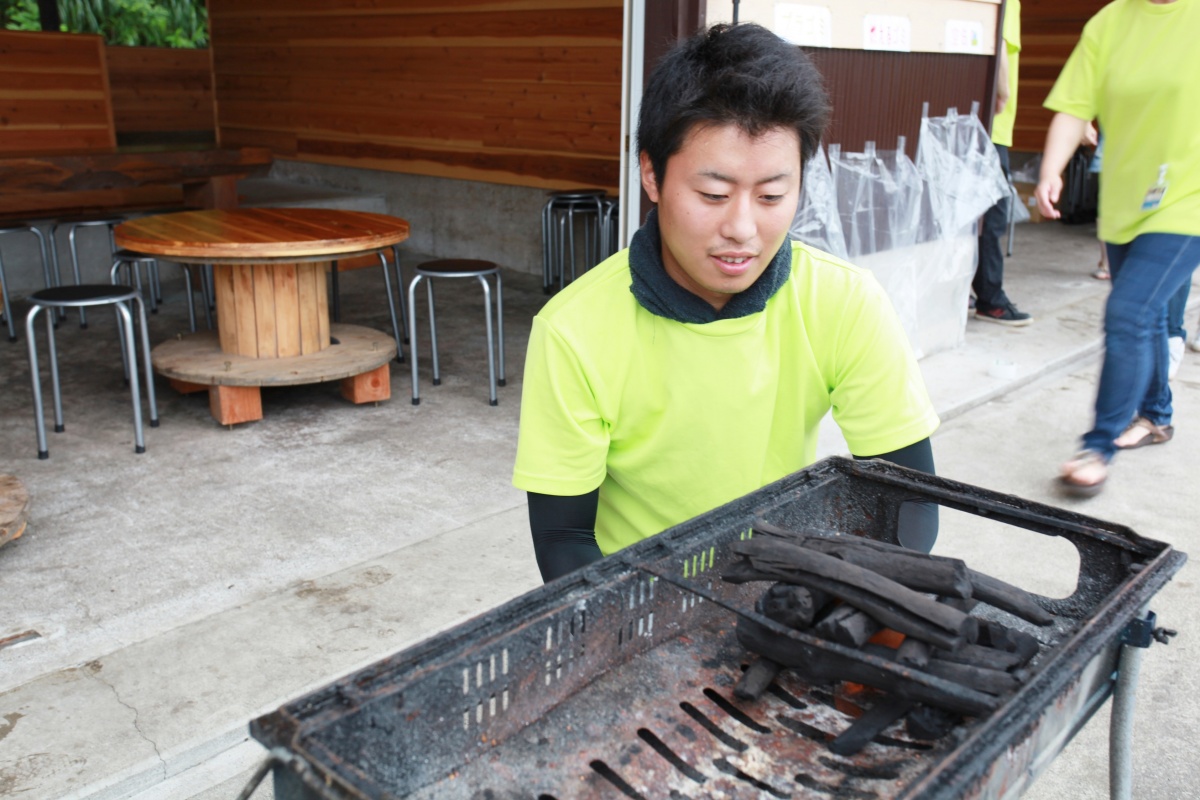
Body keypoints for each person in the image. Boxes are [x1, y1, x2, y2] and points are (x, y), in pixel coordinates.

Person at [513, 23, 940, 583]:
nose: (742, 228)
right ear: (652, 175)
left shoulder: (844, 302)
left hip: (781, 584)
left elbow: (910, 503)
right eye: (713, 195)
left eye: (771, 195)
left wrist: (844, 600)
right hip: (639, 599)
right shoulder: (574, 329)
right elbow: (564, 537)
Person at [1035, 0, 1200, 496]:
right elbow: (1073, 107)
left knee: (1128, 312)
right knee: (1147, 318)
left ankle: (1098, 445)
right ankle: (1156, 416)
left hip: (1188, 200)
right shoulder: (1109, 22)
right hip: (1127, 201)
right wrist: (1050, 170)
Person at [973, 0, 1032, 326]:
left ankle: (973, 290)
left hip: (991, 129)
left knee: (979, 218)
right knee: (991, 219)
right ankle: (991, 299)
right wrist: (1003, 91)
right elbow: (999, 43)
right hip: (993, 127)